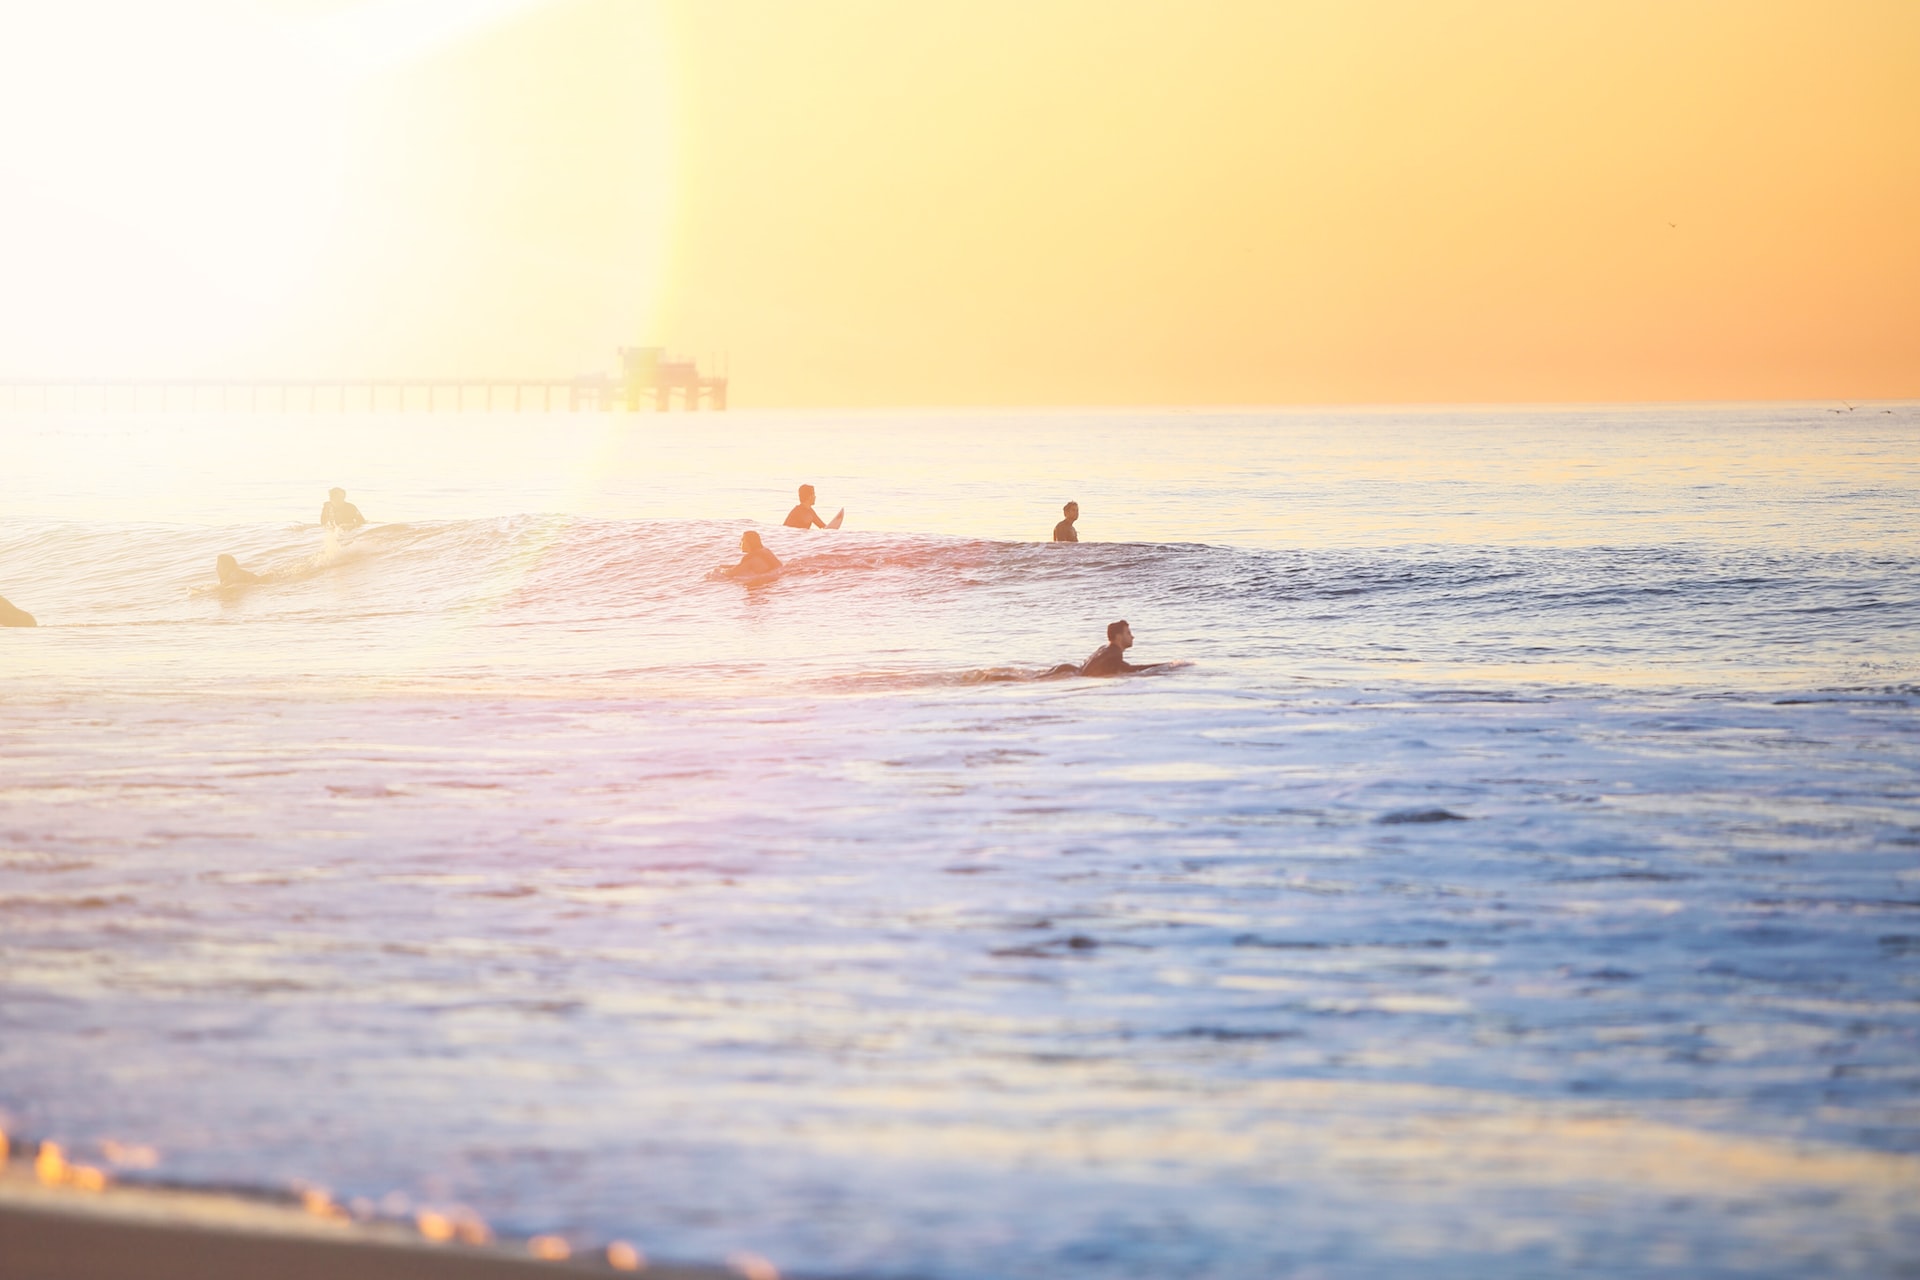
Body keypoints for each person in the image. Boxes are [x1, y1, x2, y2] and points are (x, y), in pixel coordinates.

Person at [1073, 619, 1174, 677]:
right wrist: (1167, 666)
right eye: (1128, 633)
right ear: (1118, 636)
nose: (1132, 637)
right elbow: (1131, 669)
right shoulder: (1114, 652)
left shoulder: (1104, 648)